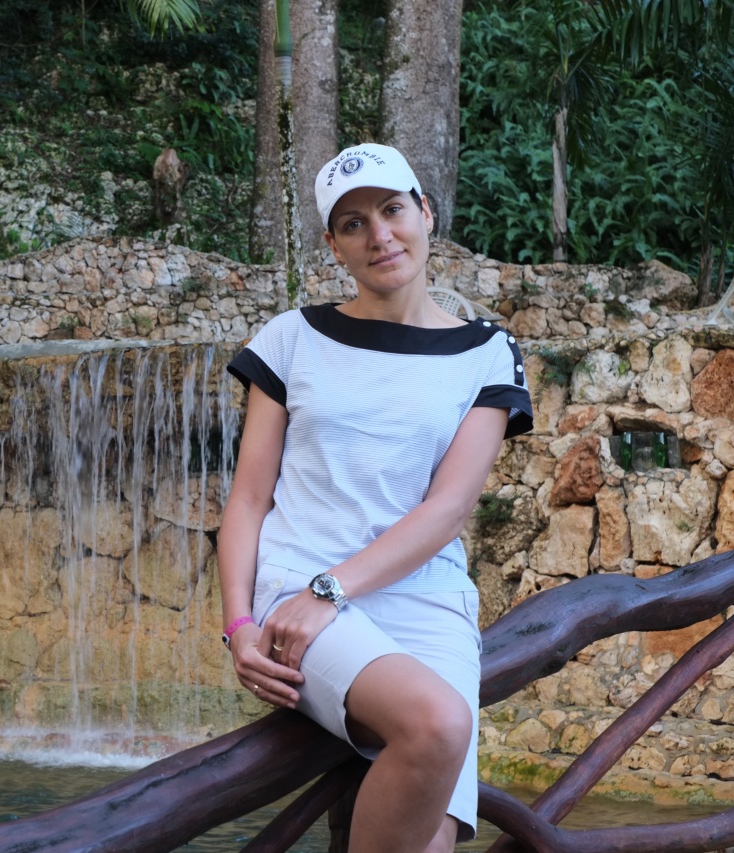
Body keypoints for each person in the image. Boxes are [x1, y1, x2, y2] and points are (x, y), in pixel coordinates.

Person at [218, 143, 532, 852]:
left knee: (432, 840)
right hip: (298, 592)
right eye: (354, 223)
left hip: (424, 600)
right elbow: (247, 500)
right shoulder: (291, 338)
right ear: (334, 246)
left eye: (392, 210)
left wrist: (333, 589)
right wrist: (239, 624)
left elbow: (447, 509)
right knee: (437, 724)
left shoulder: (488, 352)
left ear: (426, 213)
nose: (380, 235)